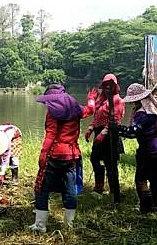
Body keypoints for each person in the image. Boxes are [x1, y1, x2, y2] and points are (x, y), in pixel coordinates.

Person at [30, 84, 97, 232]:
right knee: (69, 188)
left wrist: (42, 156)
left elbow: (50, 136)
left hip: (53, 154)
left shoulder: (52, 114)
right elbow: (89, 110)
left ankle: (40, 226)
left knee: (42, 188)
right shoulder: (75, 109)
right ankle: (69, 224)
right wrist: (91, 99)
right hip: (71, 155)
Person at [117, 83, 157, 214]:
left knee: (141, 178)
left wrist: (118, 129)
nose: (131, 104)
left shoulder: (144, 114)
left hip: (151, 149)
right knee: (153, 176)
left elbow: (133, 132)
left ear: (139, 100)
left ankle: (146, 208)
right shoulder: (153, 109)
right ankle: (155, 206)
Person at [84, 73, 125, 205]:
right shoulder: (101, 99)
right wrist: (90, 128)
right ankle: (99, 186)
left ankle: (114, 189)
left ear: (114, 87)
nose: (107, 88)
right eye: (105, 85)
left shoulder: (118, 100)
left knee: (110, 162)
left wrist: (104, 132)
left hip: (111, 135)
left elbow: (116, 119)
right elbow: (96, 116)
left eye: (110, 85)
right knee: (95, 159)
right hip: (98, 132)